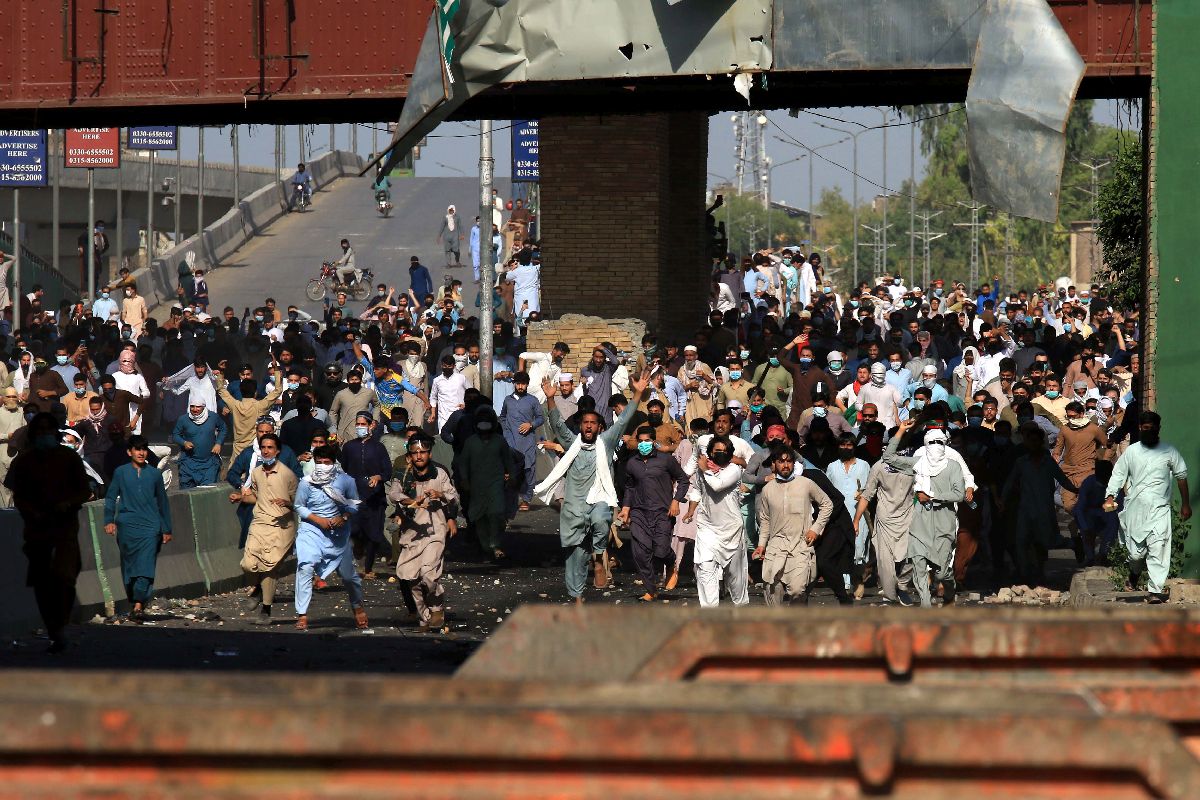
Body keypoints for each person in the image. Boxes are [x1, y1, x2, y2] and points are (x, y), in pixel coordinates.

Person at [536, 370, 649, 602]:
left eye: (593, 423)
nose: (588, 426)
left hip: (599, 497)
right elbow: (557, 425)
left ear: (599, 427)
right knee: (574, 555)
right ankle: (577, 597)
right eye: (585, 423)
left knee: (600, 518)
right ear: (581, 426)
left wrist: (637, 393)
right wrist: (550, 398)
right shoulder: (572, 442)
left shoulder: (606, 442)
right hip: (575, 504)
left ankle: (599, 557)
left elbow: (625, 418)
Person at [4, 413, 91, 652]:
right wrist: (31, 511)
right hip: (37, 531)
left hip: (65, 530)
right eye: (40, 432)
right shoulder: (23, 462)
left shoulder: (69, 458)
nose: (45, 436)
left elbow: (85, 491)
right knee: (42, 582)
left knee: (66, 577)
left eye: (48, 432)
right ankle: (54, 630)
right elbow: (17, 495)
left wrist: (68, 503)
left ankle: (60, 623)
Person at [1105, 412, 1191, 603]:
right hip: (1136, 509)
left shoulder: (1169, 451)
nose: (1149, 431)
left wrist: (1185, 503)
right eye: (1146, 428)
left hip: (1160, 509)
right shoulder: (1132, 452)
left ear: (1158, 429)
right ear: (1140, 428)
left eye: (1153, 428)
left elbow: (1181, 476)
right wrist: (1110, 495)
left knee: (1158, 547)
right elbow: (1118, 474)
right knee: (1136, 553)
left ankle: (1155, 590)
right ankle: (1134, 573)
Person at [883, 421, 966, 606]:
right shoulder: (917, 463)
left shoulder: (953, 466)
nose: (935, 446)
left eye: (939, 442)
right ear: (925, 445)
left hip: (944, 523)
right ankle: (926, 605)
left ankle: (949, 590)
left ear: (945, 445)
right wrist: (901, 431)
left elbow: (959, 494)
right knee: (919, 566)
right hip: (920, 522)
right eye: (931, 442)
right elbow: (888, 458)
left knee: (942, 572)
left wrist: (932, 496)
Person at [294, 445, 369, 631]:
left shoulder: (345, 481)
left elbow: (354, 504)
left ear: (333, 463)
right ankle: (302, 614)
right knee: (305, 567)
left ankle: (357, 605)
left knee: (348, 576)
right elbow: (299, 506)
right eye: (318, 462)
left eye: (326, 463)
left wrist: (344, 517)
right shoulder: (306, 483)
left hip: (338, 535)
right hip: (312, 530)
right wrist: (317, 519)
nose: (322, 466)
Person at [388, 434, 458, 629]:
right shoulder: (402, 475)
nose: (419, 456)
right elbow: (394, 494)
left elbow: (454, 497)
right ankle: (425, 616)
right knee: (411, 578)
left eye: (423, 452)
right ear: (409, 456)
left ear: (429, 453)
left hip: (435, 531)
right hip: (411, 535)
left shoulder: (440, 473)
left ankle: (436, 607)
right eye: (415, 452)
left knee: (428, 574)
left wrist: (440, 495)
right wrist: (410, 501)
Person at [103, 435, 173, 622]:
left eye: (144, 449)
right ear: (129, 452)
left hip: (151, 527)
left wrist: (167, 528)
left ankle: (139, 605)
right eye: (137, 449)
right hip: (126, 526)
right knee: (129, 566)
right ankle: (134, 599)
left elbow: (163, 503)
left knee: (146, 565)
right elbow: (111, 497)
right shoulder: (121, 472)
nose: (141, 453)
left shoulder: (155, 475)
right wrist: (109, 520)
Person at [754, 445, 835, 606]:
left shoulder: (806, 483)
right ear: (774, 464)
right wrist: (761, 545)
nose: (785, 465)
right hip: (776, 545)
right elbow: (765, 520)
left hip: (800, 544)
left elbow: (827, 504)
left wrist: (815, 529)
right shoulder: (768, 489)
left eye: (789, 461)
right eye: (781, 461)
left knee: (798, 590)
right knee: (771, 587)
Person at [617, 425, 689, 601]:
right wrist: (626, 508)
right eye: (640, 441)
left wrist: (675, 501)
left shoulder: (666, 460)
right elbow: (629, 486)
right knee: (640, 553)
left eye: (647, 441)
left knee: (661, 550)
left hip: (663, 512)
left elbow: (683, 480)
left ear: (654, 441)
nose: (643, 444)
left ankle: (672, 563)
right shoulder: (632, 463)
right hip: (640, 512)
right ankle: (651, 589)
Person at [236, 433, 298, 625]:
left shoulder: (288, 474)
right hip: (260, 523)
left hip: (282, 526)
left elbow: (299, 503)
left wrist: (287, 502)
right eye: (263, 447)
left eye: (270, 447)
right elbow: (255, 496)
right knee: (247, 564)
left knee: (269, 568)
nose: (266, 451)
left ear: (277, 451)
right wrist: (240, 498)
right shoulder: (255, 473)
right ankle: (257, 588)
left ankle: (266, 608)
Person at [688, 434, 749, 608]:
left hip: (731, 529)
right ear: (710, 453)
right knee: (705, 568)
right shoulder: (703, 470)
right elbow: (697, 490)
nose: (721, 453)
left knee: (735, 576)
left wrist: (705, 470)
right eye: (717, 451)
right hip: (707, 527)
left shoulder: (734, 470)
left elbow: (717, 485)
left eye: (724, 451)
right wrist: (691, 511)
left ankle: (741, 607)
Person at [854, 452, 916, 605]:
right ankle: (889, 596)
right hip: (885, 519)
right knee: (884, 561)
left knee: (912, 555)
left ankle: (901, 586)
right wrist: (856, 520)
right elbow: (867, 494)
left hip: (909, 516)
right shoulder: (879, 466)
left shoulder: (914, 465)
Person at [458, 406, 520, 560]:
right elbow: (463, 463)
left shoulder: (500, 441)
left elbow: (508, 461)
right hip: (476, 486)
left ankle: (495, 544)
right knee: (479, 517)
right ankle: (486, 546)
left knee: (496, 514)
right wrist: (464, 480)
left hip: (495, 485)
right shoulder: (470, 442)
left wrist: (512, 476)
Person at [340, 411, 393, 578]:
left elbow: (387, 471)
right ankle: (357, 546)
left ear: (371, 425)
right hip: (354, 496)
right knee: (354, 529)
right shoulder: (349, 447)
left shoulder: (379, 448)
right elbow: (344, 468)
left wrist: (378, 477)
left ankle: (368, 568)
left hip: (374, 497)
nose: (360, 427)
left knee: (374, 533)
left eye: (363, 424)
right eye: (358, 424)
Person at [826, 431, 872, 599]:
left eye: (849, 445)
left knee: (858, 550)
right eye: (842, 445)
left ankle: (858, 579)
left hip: (858, 513)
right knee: (840, 549)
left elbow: (870, 488)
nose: (845, 448)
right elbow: (827, 490)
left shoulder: (864, 465)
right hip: (838, 515)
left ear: (854, 447)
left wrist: (863, 494)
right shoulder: (832, 466)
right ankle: (844, 586)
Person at [217, 364, 283, 461]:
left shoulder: (235, 405)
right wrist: (276, 369)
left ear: (241, 391)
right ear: (255, 392)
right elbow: (277, 391)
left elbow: (221, 390)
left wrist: (221, 372)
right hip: (253, 452)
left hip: (237, 452)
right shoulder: (260, 406)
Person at [499, 371, 543, 512]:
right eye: (518, 383)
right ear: (514, 384)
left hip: (527, 442)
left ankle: (526, 499)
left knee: (528, 470)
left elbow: (541, 418)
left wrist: (530, 424)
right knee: (510, 472)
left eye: (523, 384)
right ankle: (509, 500)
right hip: (510, 443)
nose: (520, 386)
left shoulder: (533, 400)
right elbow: (503, 417)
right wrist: (506, 433)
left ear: (527, 385)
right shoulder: (508, 400)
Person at [171, 394, 227, 488]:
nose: (195, 409)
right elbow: (175, 435)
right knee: (187, 494)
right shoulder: (183, 419)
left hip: (209, 463)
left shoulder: (213, 417)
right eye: (192, 406)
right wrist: (183, 442)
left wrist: (218, 443)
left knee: (207, 493)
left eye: (198, 406)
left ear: (203, 406)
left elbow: (223, 428)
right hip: (188, 463)